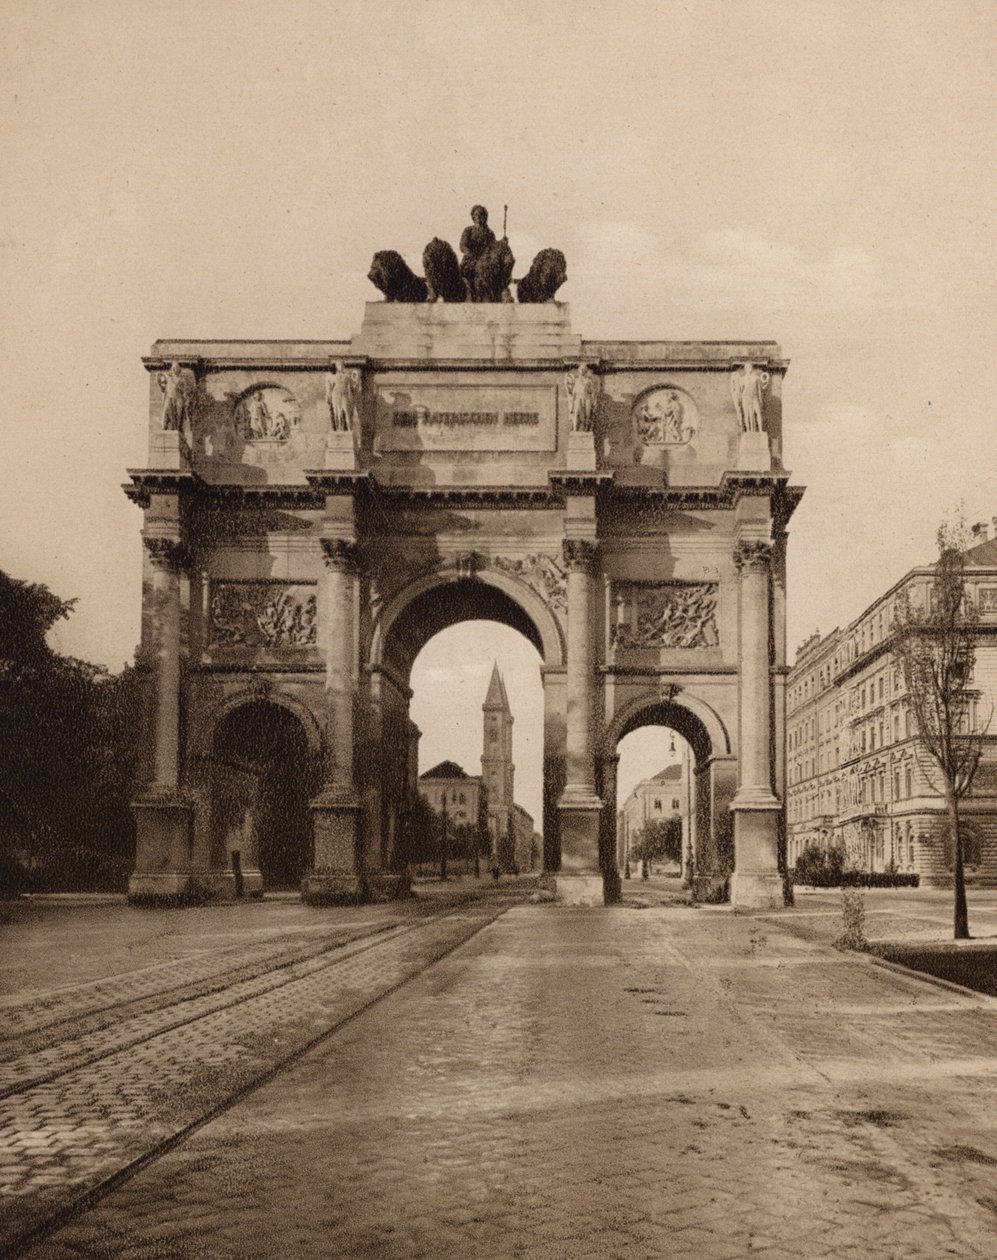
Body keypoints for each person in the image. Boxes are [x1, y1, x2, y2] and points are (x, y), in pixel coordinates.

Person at [459, 205, 496, 299]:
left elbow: (493, 249)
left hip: (484, 264)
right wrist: (469, 254)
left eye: (481, 215)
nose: (478, 217)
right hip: (469, 262)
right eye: (476, 215)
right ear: (473, 216)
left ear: (485, 217)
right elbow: (463, 245)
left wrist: (503, 244)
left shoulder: (490, 233)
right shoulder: (468, 230)